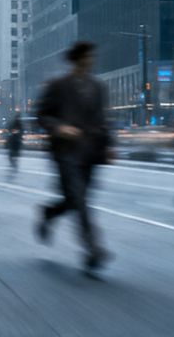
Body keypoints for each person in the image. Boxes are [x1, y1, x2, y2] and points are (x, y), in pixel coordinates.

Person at [36, 42, 112, 273]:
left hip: (90, 151)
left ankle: (50, 213)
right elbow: (41, 114)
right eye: (88, 56)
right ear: (77, 59)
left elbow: (102, 119)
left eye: (92, 56)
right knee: (79, 199)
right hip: (65, 151)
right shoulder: (58, 85)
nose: (91, 60)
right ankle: (93, 249)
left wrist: (109, 145)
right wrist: (59, 127)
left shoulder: (98, 86)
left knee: (75, 200)